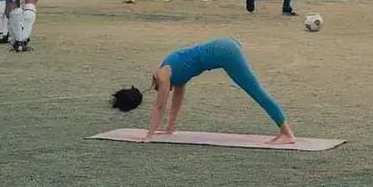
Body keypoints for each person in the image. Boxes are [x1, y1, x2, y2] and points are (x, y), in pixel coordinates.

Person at [110, 37, 296, 145]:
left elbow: (160, 106)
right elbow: (178, 96)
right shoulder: (171, 73)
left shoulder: (163, 75)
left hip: (225, 51)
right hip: (225, 46)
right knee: (256, 91)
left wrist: (149, 136)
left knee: (256, 92)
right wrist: (170, 127)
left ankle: (287, 133)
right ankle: (285, 131)